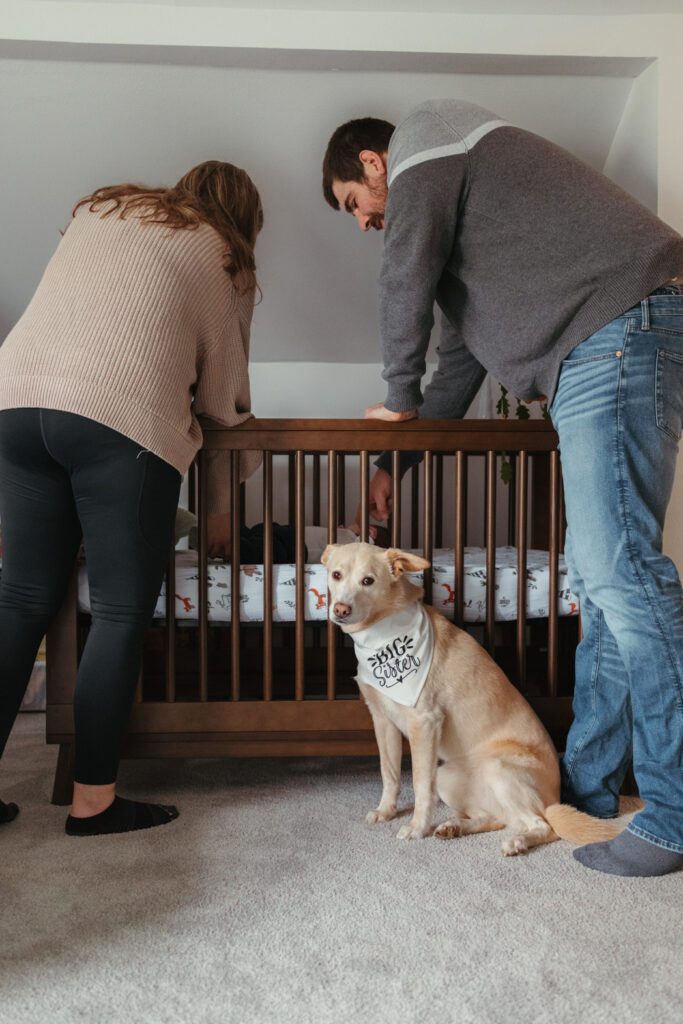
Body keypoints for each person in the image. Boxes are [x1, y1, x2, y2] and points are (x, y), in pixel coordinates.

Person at [322, 100, 683, 877]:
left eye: (354, 204)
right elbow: (454, 369)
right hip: (600, 345)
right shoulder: (470, 246)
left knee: (626, 580)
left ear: (374, 165)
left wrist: (393, 390)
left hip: (615, 331)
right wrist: (394, 467)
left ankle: (673, 816)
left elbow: (403, 273)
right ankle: (583, 797)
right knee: (595, 583)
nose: (362, 224)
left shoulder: (424, 138)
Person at [0, 161, 262, 836]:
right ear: (245, 220)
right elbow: (224, 403)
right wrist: (224, 502)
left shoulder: (104, 213)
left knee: (22, 598)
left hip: (16, 401)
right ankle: (94, 802)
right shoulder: (222, 255)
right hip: (116, 421)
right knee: (119, 613)